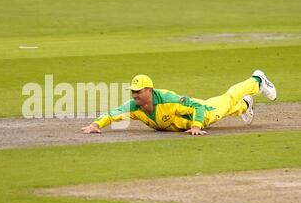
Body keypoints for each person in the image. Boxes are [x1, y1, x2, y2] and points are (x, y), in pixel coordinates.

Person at [81, 70, 277, 136]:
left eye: (138, 92)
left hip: (202, 113)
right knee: (232, 106)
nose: (134, 96)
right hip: (186, 122)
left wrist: (196, 126)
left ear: (149, 90)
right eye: (133, 92)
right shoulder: (135, 107)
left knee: (227, 99)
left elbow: (197, 107)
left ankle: (257, 80)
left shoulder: (168, 100)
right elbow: (114, 113)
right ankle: (246, 104)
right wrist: (95, 125)